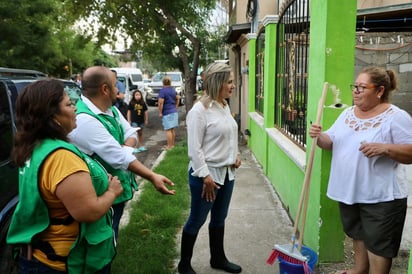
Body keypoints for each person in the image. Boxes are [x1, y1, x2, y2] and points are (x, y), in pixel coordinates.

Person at [7, 79, 123, 273]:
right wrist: (112, 192)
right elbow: (88, 211)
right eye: (69, 104)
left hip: (39, 256)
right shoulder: (61, 158)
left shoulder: (35, 147)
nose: (76, 107)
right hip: (63, 262)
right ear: (52, 116)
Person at [309, 66, 412, 274]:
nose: (355, 91)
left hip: (381, 196)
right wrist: (319, 136)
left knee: (378, 245)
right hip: (351, 191)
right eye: (354, 86)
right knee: (358, 233)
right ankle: (359, 270)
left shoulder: (395, 117)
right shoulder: (348, 113)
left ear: (380, 91)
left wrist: (386, 148)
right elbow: (331, 141)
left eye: (362, 87)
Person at [69, 66, 175, 239]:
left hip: (114, 192)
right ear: (105, 89)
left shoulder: (110, 109)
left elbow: (131, 132)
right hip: (100, 195)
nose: (118, 89)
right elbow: (119, 157)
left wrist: (123, 151)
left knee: (112, 237)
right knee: (102, 241)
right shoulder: (85, 119)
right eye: (115, 85)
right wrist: (151, 176)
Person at [177, 62, 242, 274]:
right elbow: (194, 149)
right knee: (197, 219)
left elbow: (229, 136)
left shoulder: (224, 105)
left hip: (227, 173)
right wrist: (205, 176)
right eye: (229, 82)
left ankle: (218, 258)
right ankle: (184, 264)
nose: (233, 85)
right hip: (206, 177)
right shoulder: (200, 111)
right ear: (217, 83)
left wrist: (236, 155)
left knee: (219, 218)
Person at [158, 76, 179, 150]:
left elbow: (161, 103)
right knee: (172, 129)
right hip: (174, 111)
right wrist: (176, 106)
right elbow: (177, 98)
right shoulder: (173, 90)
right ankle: (172, 145)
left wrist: (160, 112)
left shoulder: (163, 91)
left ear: (163, 82)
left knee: (168, 130)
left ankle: (169, 146)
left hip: (167, 112)